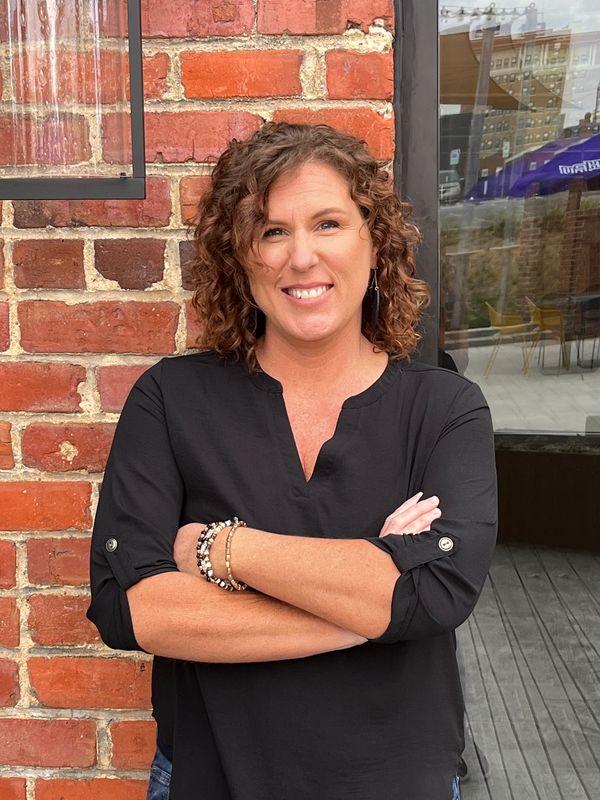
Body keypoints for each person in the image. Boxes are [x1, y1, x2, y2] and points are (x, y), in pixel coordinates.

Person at [87, 122, 497, 800]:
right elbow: (130, 610)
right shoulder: (172, 399)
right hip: (212, 781)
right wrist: (373, 599)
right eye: (272, 231)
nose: (301, 256)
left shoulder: (445, 407)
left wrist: (225, 549)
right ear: (238, 258)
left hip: (398, 782)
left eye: (328, 223)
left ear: (375, 241)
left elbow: (442, 591)